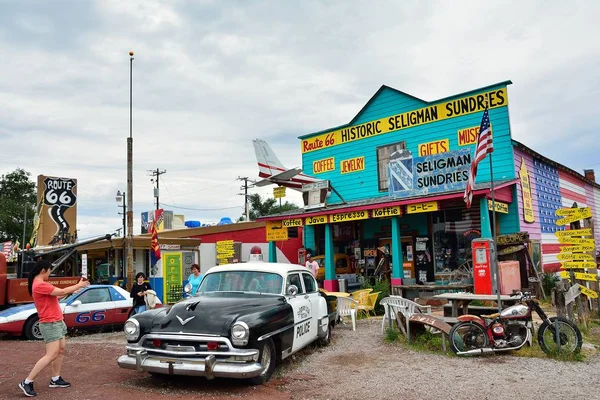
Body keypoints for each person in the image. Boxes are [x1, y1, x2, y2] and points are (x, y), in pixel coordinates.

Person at [19, 259, 90, 397]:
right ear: (43, 270)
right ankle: (27, 381)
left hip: (57, 321)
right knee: (51, 354)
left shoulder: (42, 283)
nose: (50, 273)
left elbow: (58, 294)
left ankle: (55, 379)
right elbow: (62, 290)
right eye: (49, 270)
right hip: (49, 323)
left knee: (61, 350)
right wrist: (78, 285)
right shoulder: (39, 284)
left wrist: (73, 291)